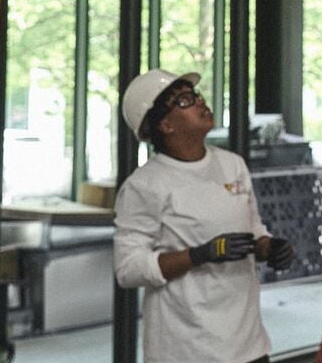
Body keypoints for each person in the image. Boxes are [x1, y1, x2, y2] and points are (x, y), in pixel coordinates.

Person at [113, 69, 294, 363]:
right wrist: (201, 254)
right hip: (187, 351)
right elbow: (128, 269)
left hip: (248, 345)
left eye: (195, 95)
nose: (199, 102)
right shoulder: (145, 185)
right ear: (165, 125)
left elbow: (254, 229)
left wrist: (269, 248)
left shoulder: (232, 165)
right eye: (184, 101)